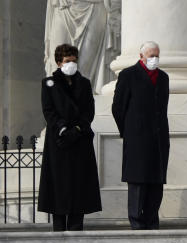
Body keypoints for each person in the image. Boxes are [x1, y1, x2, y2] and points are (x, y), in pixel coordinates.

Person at [38, 43, 102, 231]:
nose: (71, 64)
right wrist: (63, 129)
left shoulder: (84, 83)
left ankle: (76, 224)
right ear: (59, 62)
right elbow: (48, 111)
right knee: (59, 184)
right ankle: (59, 225)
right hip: (59, 141)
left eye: (74, 61)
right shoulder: (48, 83)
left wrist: (77, 129)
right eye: (67, 61)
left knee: (79, 183)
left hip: (80, 139)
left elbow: (89, 111)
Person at [111, 41, 169, 230]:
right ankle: (136, 221)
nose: (154, 59)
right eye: (151, 55)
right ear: (141, 56)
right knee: (137, 181)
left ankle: (152, 220)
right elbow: (118, 107)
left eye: (157, 55)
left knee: (156, 181)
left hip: (158, 138)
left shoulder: (163, 78)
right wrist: (128, 131)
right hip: (137, 137)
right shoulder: (128, 75)